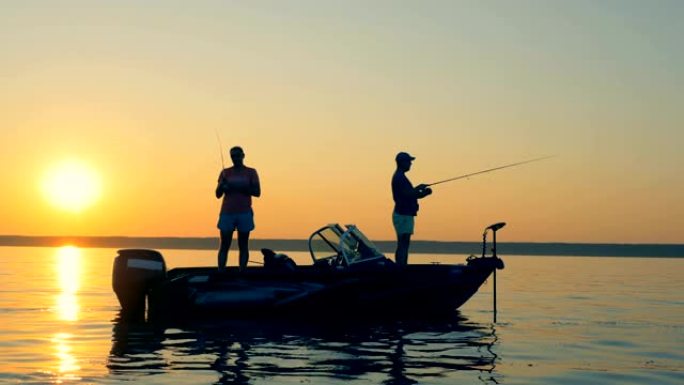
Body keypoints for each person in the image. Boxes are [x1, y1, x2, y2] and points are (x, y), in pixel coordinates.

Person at [216, 146, 261, 271]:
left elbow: (257, 192)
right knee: (224, 244)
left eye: (237, 155)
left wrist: (238, 188)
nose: (235, 158)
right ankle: (221, 271)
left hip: (244, 212)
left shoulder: (251, 172)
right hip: (227, 212)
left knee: (243, 244)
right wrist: (222, 186)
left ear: (243, 155)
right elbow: (217, 194)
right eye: (232, 156)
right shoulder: (225, 173)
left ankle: (242, 271)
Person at [391, 152, 432, 266]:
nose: (410, 164)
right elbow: (408, 194)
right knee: (403, 243)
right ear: (402, 163)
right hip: (403, 215)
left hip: (404, 214)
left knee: (403, 243)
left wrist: (422, 192)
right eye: (409, 161)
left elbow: (409, 194)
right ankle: (401, 267)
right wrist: (421, 190)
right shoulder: (399, 177)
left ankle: (401, 266)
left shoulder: (400, 177)